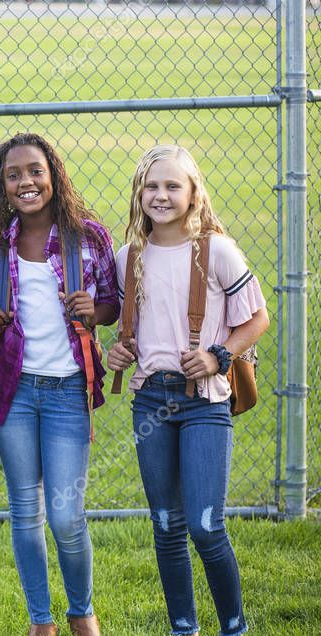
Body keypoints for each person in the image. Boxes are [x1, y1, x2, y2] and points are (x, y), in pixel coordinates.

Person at [106, 145, 268, 636]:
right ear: (139, 195)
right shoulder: (127, 257)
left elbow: (257, 318)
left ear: (194, 194)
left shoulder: (215, 250)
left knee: (204, 525)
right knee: (166, 524)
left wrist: (220, 355)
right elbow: (129, 325)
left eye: (173, 186)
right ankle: (183, 627)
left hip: (204, 402)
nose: (161, 195)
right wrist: (121, 350)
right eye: (151, 186)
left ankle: (234, 628)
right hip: (151, 399)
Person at [0, 133, 118, 636]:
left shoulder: (89, 238)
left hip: (66, 393)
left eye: (35, 171)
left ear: (53, 175)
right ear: (2, 185)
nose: (26, 182)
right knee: (25, 512)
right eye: (14, 175)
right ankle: (41, 620)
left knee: (65, 517)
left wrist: (93, 311)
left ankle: (81, 610)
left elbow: (113, 302)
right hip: (14, 390)